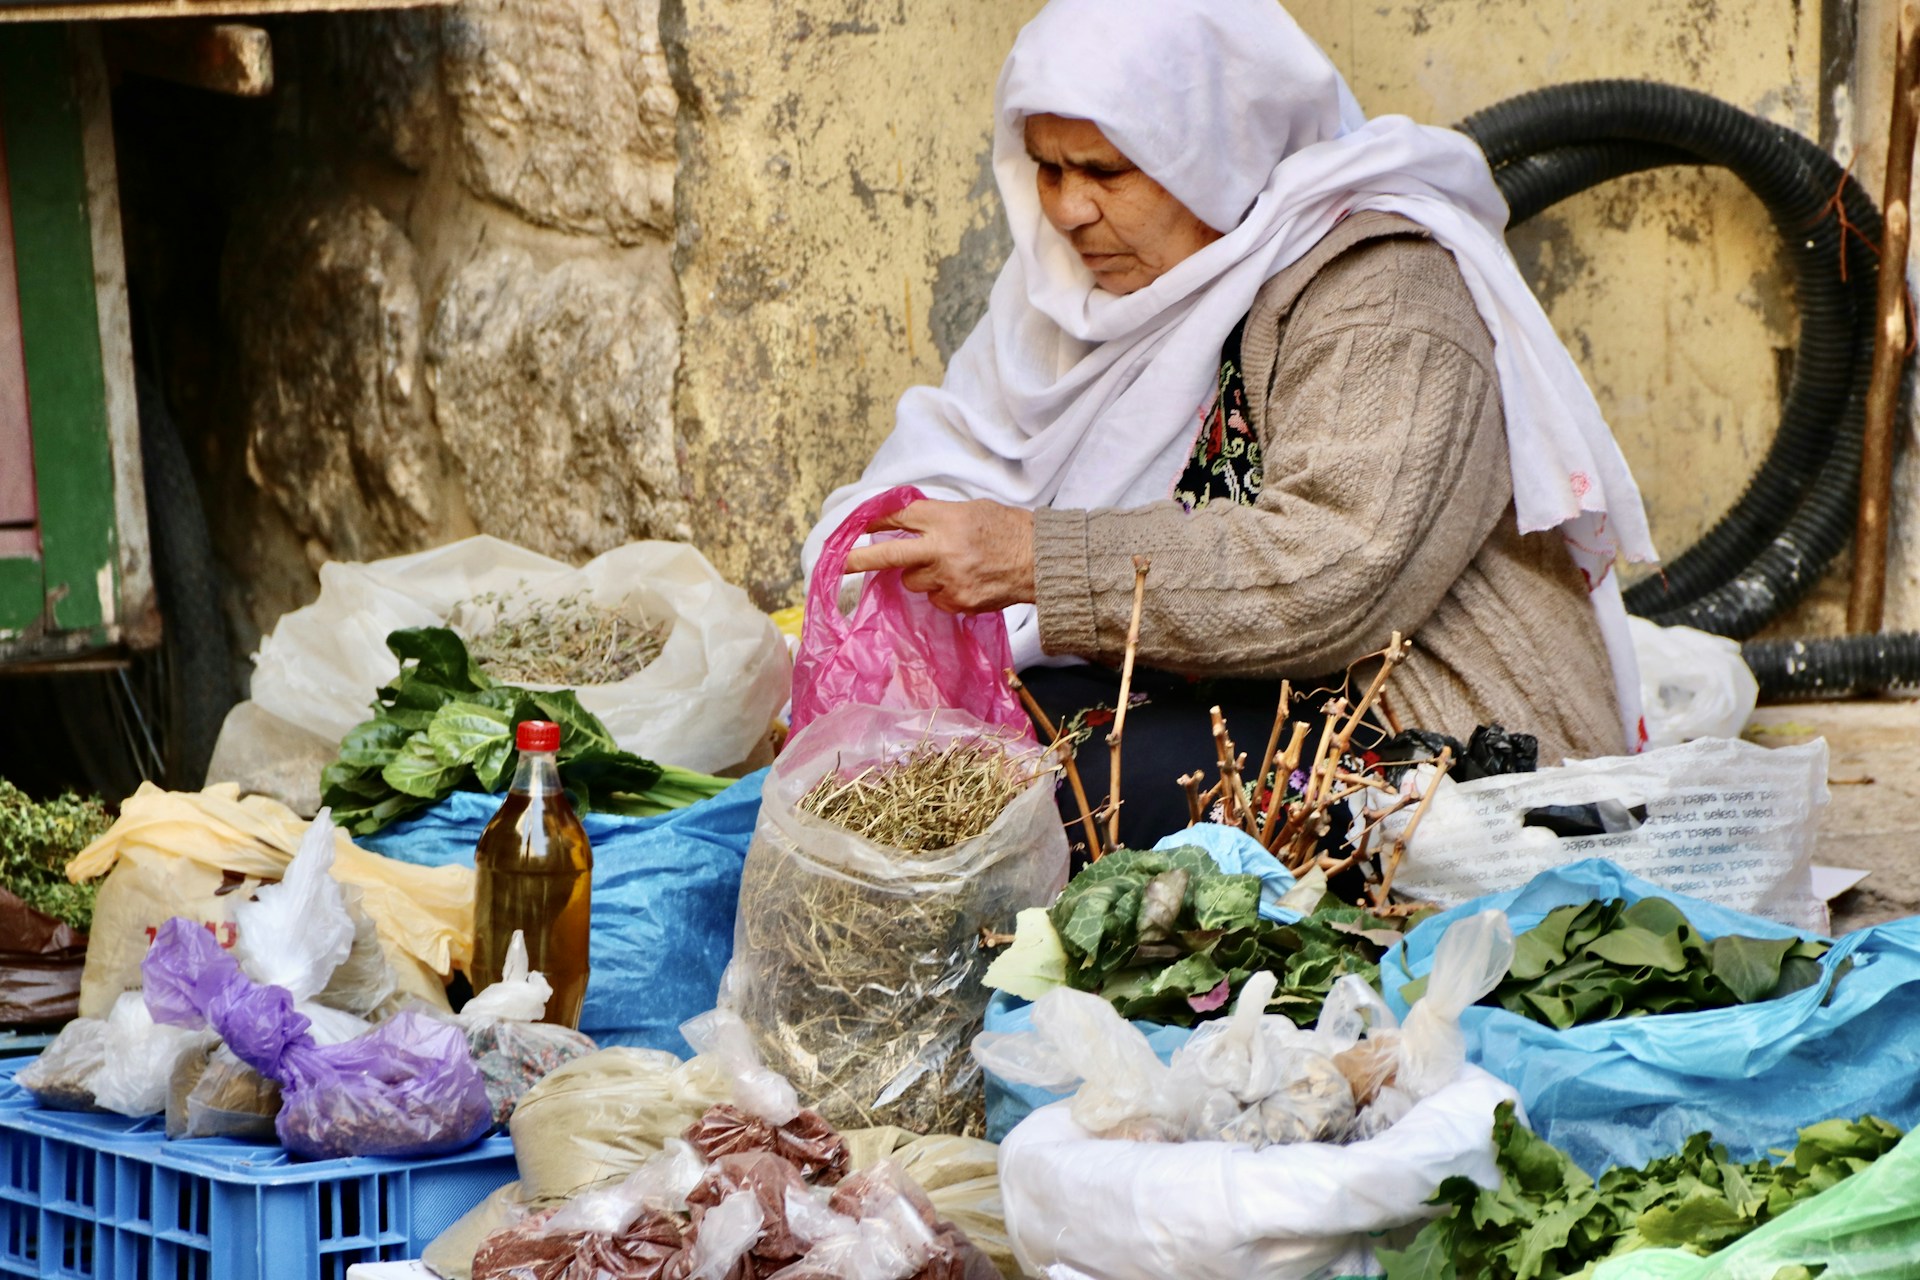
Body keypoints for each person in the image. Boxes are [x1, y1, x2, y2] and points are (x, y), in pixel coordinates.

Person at [801, 0, 1655, 852]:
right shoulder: (1076, 299)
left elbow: (1333, 572)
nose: (1066, 210)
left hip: (1413, 735)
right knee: (906, 752)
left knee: (1028, 802)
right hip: (1209, 688)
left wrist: (1031, 557)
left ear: (1216, 151)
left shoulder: (1384, 291)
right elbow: (967, 457)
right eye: (1048, 169)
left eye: (1105, 171)